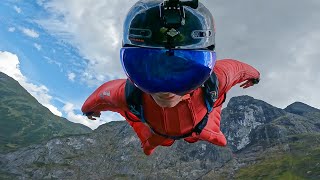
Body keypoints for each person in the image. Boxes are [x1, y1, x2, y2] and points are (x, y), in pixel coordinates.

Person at [82, 0, 260, 155]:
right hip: (186, 127)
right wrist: (255, 77)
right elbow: (239, 69)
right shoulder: (218, 77)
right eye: (153, 72)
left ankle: (155, 142)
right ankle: (157, 142)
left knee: (153, 143)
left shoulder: (126, 94)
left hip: (160, 130)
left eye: (183, 73)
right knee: (213, 138)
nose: (167, 89)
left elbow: (101, 95)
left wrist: (89, 110)